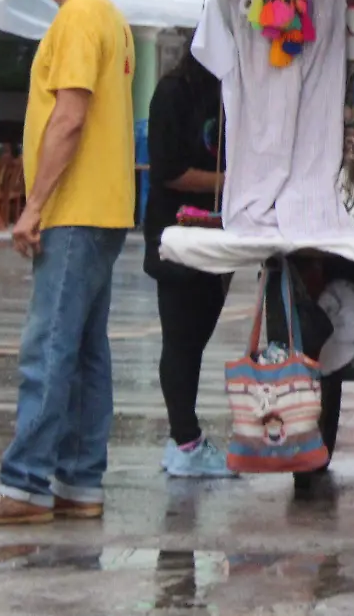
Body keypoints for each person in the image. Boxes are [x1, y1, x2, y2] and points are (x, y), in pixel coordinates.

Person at [0, 0, 135, 525]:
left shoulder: (81, 17)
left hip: (75, 208)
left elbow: (71, 116)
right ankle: (80, 483)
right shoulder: (105, 14)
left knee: (49, 346)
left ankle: (24, 485)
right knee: (85, 351)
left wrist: (33, 207)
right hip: (102, 208)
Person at [144, 44, 236, 478]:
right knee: (179, 339)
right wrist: (229, 181)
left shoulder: (233, 92)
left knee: (196, 338)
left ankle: (183, 435)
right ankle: (185, 438)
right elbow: (168, 169)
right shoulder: (173, 93)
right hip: (177, 235)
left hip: (220, 235)